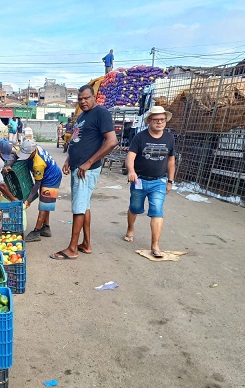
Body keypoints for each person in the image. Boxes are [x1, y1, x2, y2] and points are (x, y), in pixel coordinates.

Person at [50, 85, 117, 260]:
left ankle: (72, 248)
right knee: (84, 205)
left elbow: (111, 141)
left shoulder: (101, 113)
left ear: (94, 97)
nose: (83, 101)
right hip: (77, 166)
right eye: (80, 99)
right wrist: (69, 159)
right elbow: (78, 139)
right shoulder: (83, 115)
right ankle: (86, 244)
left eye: (86, 98)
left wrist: (88, 162)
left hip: (86, 170)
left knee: (78, 207)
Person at [124, 105, 176, 258]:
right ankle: (130, 228)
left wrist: (170, 181)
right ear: (149, 121)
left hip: (159, 181)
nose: (159, 122)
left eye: (162, 120)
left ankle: (155, 245)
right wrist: (131, 171)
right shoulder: (139, 137)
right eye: (156, 120)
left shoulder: (169, 138)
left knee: (157, 211)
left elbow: (171, 160)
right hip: (139, 180)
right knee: (135, 208)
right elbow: (130, 157)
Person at [12, 139, 63, 242]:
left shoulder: (38, 164)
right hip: (47, 173)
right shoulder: (34, 146)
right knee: (46, 202)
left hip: (52, 178)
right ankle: (46, 227)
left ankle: (36, 231)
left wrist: (28, 200)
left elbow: (37, 184)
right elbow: (17, 155)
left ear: (33, 152)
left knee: (44, 204)